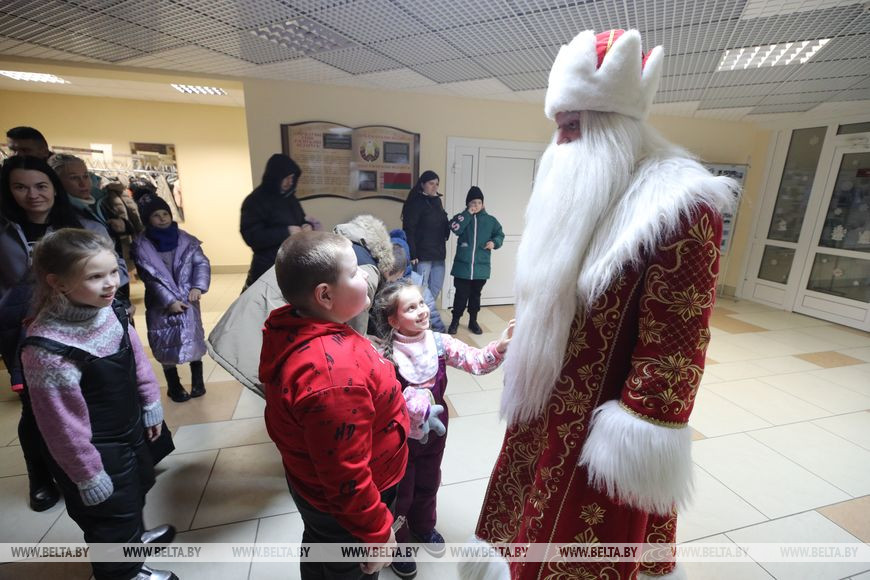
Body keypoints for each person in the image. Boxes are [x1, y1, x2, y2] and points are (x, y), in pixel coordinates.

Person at [464, 30, 737, 580]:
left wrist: (635, 444)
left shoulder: (681, 208)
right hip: (544, 405)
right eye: (557, 126)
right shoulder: (583, 188)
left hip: (602, 434)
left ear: (610, 124)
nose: (560, 143)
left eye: (571, 127)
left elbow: (677, 345)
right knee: (521, 523)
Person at [20, 228, 177, 580]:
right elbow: (59, 425)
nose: (110, 284)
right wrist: (86, 474)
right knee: (108, 515)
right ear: (58, 283)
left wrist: (150, 402)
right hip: (92, 448)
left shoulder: (109, 310)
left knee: (135, 490)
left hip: (128, 429)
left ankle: (132, 542)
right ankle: (121, 572)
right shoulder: (48, 350)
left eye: (113, 272)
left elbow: (135, 358)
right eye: (95, 277)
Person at [261, 230, 409, 580]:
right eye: (356, 271)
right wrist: (375, 535)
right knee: (347, 567)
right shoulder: (331, 377)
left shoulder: (305, 325)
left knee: (322, 547)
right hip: (349, 504)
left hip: (314, 487)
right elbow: (346, 476)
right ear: (325, 295)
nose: (366, 275)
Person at [372, 279, 513, 579]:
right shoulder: (385, 355)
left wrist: (499, 347)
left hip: (435, 433)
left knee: (429, 480)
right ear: (393, 319)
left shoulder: (438, 342)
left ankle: (424, 526)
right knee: (401, 491)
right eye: (411, 308)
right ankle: (398, 542)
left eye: (422, 303)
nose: (422, 311)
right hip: (398, 440)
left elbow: (475, 361)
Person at [0, 155, 111, 513]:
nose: (33, 195)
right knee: (37, 409)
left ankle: (91, 468)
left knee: (89, 398)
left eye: (41, 185)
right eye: (21, 186)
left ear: (53, 188)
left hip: (82, 324)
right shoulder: (4, 230)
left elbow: (113, 267)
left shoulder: (79, 225)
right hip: (22, 331)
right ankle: (41, 477)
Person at [206, 214, 397, 396]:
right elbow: (356, 324)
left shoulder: (335, 245)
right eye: (355, 273)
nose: (362, 275)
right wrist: (362, 344)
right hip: (261, 319)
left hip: (257, 310)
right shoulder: (368, 268)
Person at [132, 195, 211, 403]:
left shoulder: (187, 240)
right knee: (164, 341)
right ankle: (174, 386)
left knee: (193, 338)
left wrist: (198, 286)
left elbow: (201, 263)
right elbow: (150, 279)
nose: (162, 218)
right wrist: (169, 301)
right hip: (161, 304)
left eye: (165, 214)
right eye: (156, 216)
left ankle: (198, 382)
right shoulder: (142, 247)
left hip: (188, 298)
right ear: (148, 220)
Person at [240, 153, 318, 289]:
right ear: (274, 178)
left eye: (292, 178)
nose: (290, 182)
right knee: (265, 305)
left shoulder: (290, 198)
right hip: (267, 265)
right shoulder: (255, 200)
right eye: (285, 178)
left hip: (292, 263)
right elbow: (251, 237)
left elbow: (300, 220)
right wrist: (285, 232)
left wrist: (307, 226)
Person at [447, 186, 504, 335]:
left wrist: (494, 242)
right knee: (460, 295)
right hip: (462, 268)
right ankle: (455, 322)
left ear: (483, 204)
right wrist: (467, 214)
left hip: (481, 268)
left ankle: (473, 321)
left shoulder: (491, 221)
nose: (476, 205)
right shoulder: (463, 217)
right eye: (473, 203)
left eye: (479, 202)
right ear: (468, 204)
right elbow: (455, 228)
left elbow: (500, 235)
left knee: (475, 296)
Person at [401, 171, 449, 301]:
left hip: (438, 252)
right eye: (431, 183)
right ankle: (419, 316)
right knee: (419, 288)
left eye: (437, 184)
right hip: (422, 255)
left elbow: (442, 223)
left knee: (436, 287)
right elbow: (409, 229)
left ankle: (428, 314)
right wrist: (412, 252)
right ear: (422, 184)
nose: (434, 187)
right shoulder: (415, 203)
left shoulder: (437, 201)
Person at [389, 229, 446, 333]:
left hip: (417, 333)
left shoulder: (416, 281)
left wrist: (440, 333)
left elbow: (432, 310)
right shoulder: (383, 282)